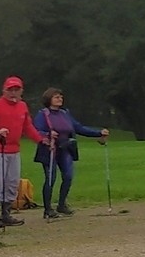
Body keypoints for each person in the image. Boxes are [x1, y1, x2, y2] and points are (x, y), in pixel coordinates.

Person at [0, 76, 47, 225]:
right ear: (4, 90)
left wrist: (40, 140)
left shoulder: (22, 106)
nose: (13, 93)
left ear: (21, 91)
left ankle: (6, 214)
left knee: (12, 182)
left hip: (14, 149)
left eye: (16, 90)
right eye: (10, 90)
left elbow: (27, 127)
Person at [31, 88, 108, 218]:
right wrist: (48, 135)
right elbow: (36, 130)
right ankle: (48, 209)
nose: (60, 98)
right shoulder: (43, 114)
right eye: (56, 97)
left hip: (66, 148)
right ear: (49, 99)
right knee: (51, 178)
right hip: (50, 150)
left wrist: (98, 133)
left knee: (68, 176)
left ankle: (61, 204)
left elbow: (79, 128)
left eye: (61, 96)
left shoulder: (65, 113)